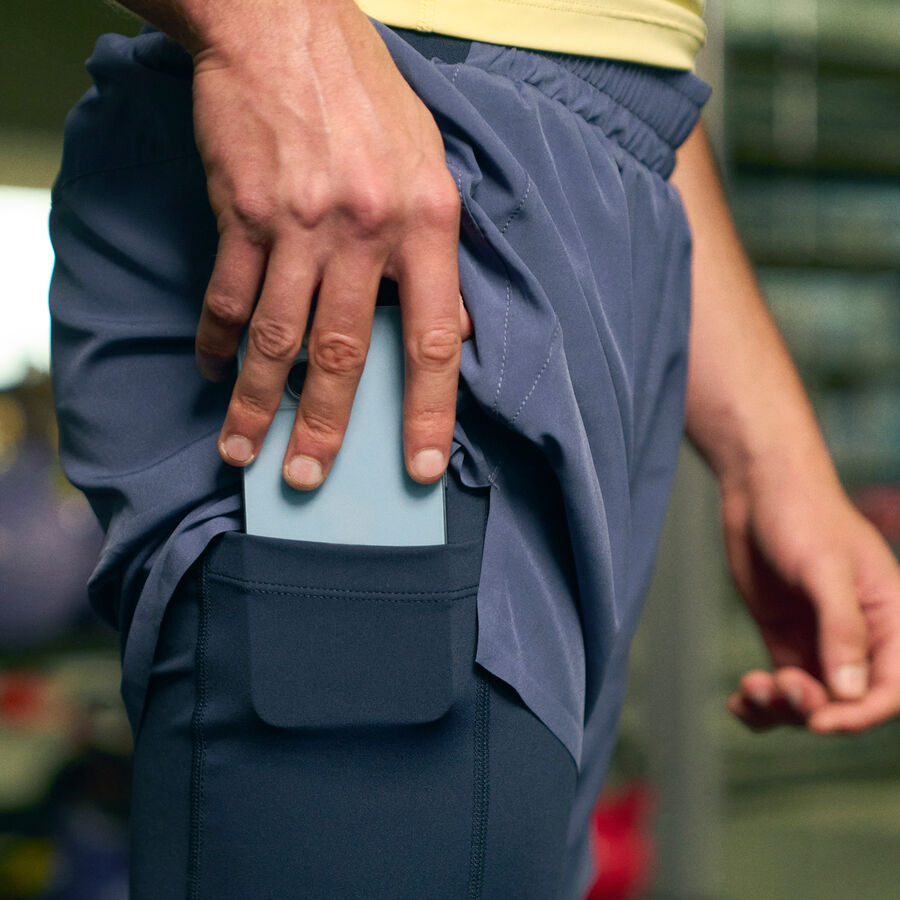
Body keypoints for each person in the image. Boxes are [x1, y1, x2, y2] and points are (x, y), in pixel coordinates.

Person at [48, 1, 900, 897]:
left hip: (613, 176)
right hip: (367, 171)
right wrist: (275, 29)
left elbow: (634, 66)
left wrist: (776, 455)